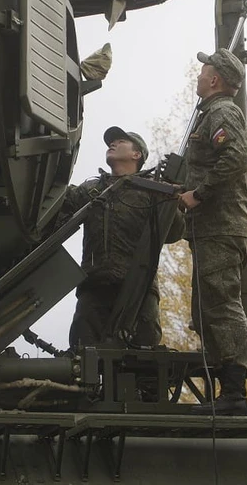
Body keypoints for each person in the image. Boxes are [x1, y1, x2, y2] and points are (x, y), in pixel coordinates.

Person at [178, 48, 247, 416]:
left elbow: (236, 157)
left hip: (221, 227)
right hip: (212, 228)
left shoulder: (222, 112)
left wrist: (199, 194)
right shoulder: (212, 113)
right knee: (207, 308)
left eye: (203, 70)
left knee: (222, 304)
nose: (198, 75)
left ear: (215, 79)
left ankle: (234, 394)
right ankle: (225, 392)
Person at [63, 127, 184, 349]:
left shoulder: (151, 190)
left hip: (138, 290)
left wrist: (168, 197)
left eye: (120, 141)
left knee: (144, 358)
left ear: (136, 155)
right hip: (95, 286)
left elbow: (175, 232)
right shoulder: (92, 189)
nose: (112, 144)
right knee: (82, 357)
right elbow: (58, 205)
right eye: (111, 142)